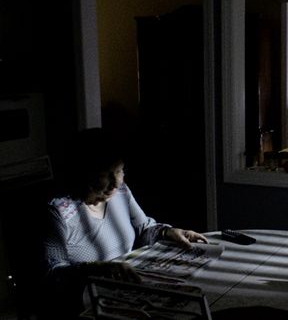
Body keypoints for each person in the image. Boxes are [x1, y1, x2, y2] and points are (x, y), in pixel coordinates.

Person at [40, 127, 208, 318]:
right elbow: (53, 273)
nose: (116, 182)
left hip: (126, 291)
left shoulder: (120, 192)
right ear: (85, 173)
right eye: (106, 174)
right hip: (86, 304)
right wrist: (99, 269)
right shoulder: (58, 212)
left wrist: (167, 232)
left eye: (119, 171)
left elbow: (144, 228)